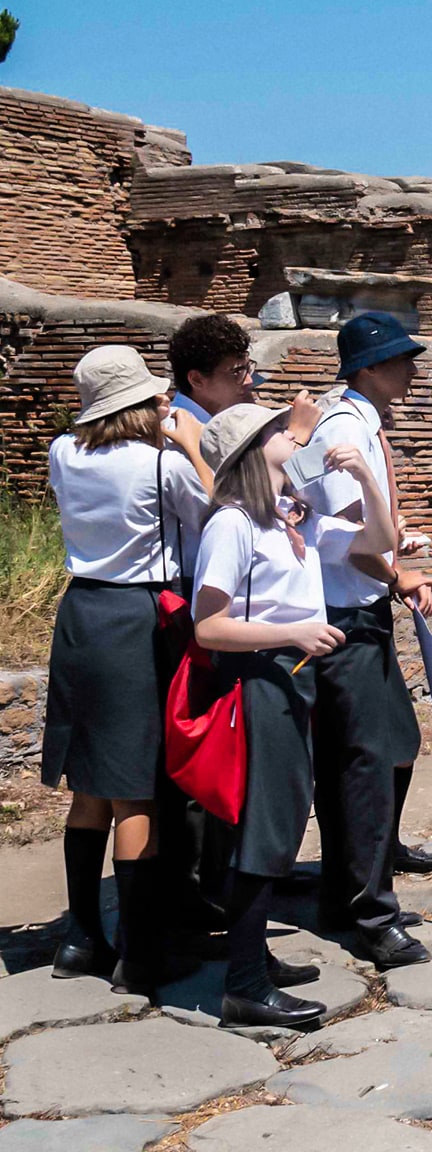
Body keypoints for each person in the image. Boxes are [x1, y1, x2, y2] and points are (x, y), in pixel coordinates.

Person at [191, 401, 398, 1027]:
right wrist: (296, 633)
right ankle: (245, 987)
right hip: (257, 683)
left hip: (289, 682)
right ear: (255, 450)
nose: (292, 433)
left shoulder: (289, 520)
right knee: (266, 827)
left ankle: (250, 958)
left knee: (278, 822)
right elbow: (207, 627)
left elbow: (380, 543)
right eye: (279, 430)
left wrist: (367, 478)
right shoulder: (231, 525)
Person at [42, 346, 210, 993]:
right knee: (135, 787)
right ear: (141, 401)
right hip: (136, 619)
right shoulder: (161, 464)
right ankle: (139, 958)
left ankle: (81, 936)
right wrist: (190, 441)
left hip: (79, 614)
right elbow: (208, 516)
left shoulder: (63, 453)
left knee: (90, 785)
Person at [298, 314, 432, 971]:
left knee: (381, 755)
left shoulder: (362, 426)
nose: (410, 368)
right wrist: (395, 569)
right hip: (343, 617)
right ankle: (370, 914)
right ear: (370, 368)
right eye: (400, 358)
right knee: (364, 766)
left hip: (361, 610)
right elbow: (345, 538)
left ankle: (349, 892)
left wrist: (396, 565)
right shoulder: (344, 430)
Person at [167, 313, 257, 428]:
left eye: (247, 368)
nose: (249, 381)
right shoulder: (171, 435)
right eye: (236, 373)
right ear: (197, 380)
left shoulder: (227, 420)